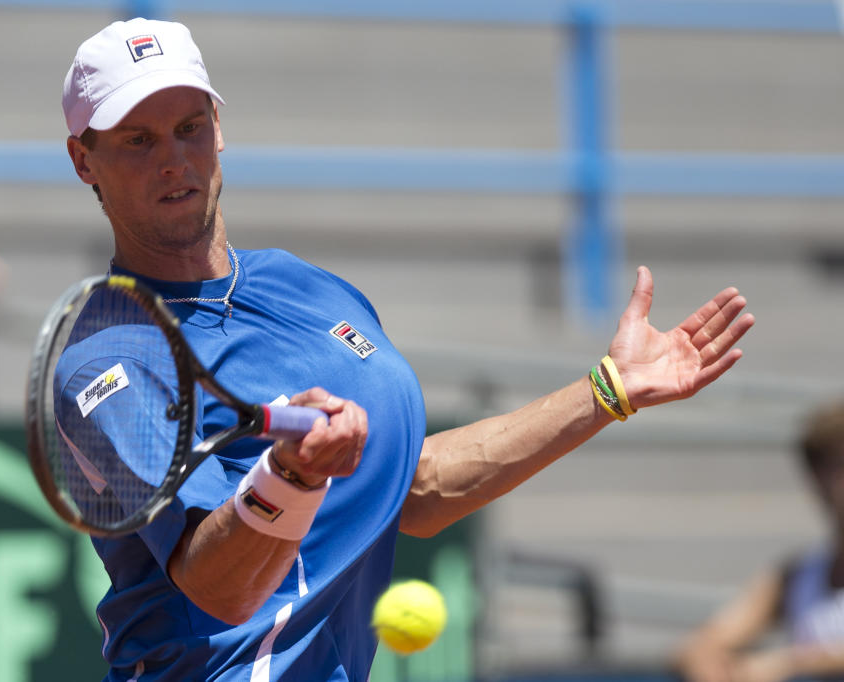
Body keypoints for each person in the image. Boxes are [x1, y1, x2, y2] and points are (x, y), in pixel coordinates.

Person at [61, 18, 755, 681]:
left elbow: (412, 488)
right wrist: (292, 478)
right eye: (138, 140)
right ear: (83, 160)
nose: (175, 159)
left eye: (190, 128)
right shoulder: (106, 364)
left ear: (220, 128)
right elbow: (216, 588)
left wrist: (607, 391)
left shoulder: (310, 288)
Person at [675, 402, 844, 682]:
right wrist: (710, 666)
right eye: (841, 465)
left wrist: (794, 663)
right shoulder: (795, 575)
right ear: (816, 476)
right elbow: (703, 645)